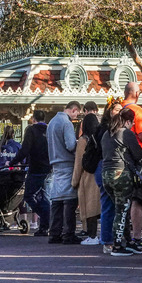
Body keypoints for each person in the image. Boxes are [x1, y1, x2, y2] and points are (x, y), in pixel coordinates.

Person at [102, 107, 142, 256]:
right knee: (122, 210)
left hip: (106, 175)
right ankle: (118, 245)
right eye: (132, 123)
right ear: (128, 121)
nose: (132, 126)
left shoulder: (106, 134)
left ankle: (128, 241)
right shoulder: (125, 133)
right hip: (121, 175)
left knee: (121, 209)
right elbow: (138, 154)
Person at [47, 101, 82, 245]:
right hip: (67, 163)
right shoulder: (66, 123)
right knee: (69, 199)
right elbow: (70, 144)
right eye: (77, 114)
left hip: (55, 163)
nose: (76, 117)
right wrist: (78, 142)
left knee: (56, 200)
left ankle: (54, 233)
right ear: (74, 110)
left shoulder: (51, 122)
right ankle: (68, 233)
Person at [11, 110, 51, 236]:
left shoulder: (31, 130)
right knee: (45, 196)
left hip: (36, 168)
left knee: (29, 195)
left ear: (33, 119)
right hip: (49, 168)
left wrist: (13, 162)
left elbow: (25, 150)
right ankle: (45, 224)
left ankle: (45, 215)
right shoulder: (49, 130)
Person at [121, 82, 142, 247]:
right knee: (137, 199)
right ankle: (137, 236)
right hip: (137, 158)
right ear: (137, 93)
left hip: (119, 159)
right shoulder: (137, 111)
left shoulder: (117, 108)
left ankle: (120, 236)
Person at [94, 99, 123, 253]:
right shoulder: (106, 130)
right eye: (116, 109)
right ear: (110, 110)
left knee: (113, 204)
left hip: (105, 167)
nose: (119, 112)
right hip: (105, 166)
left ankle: (111, 238)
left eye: (121, 109)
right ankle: (107, 240)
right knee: (109, 203)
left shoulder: (107, 128)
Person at [71, 114, 101, 245]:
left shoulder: (83, 140)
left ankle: (92, 235)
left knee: (89, 208)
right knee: (100, 207)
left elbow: (78, 163)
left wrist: (74, 181)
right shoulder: (100, 137)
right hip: (100, 174)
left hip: (87, 177)